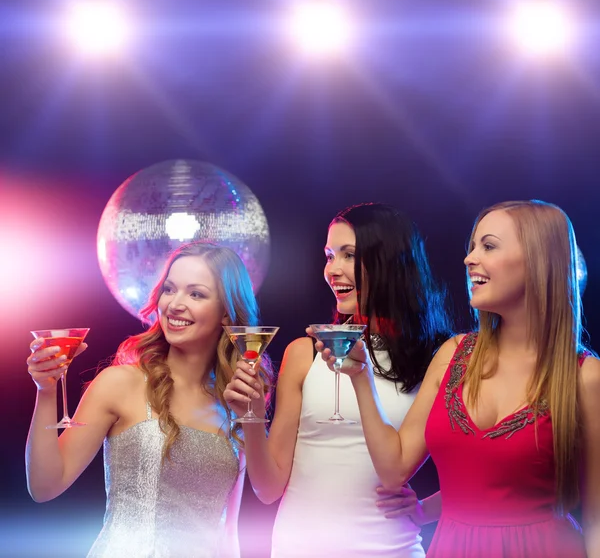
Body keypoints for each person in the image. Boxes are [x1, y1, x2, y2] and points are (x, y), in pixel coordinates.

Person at [323, 200, 600, 558]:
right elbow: (394, 469)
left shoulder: (585, 377)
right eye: (472, 248)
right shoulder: (453, 354)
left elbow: (596, 518)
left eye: (488, 246)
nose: (469, 259)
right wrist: (360, 376)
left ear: (537, 260)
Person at [225, 203, 452, 557]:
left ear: (390, 262)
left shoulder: (436, 358)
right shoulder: (305, 354)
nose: (334, 270)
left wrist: (427, 511)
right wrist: (252, 415)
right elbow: (268, 489)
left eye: (349, 255)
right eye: (330, 256)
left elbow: (480, 465)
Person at [26, 241, 271, 558]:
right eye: (170, 290)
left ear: (226, 312)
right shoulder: (120, 383)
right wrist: (46, 391)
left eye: (195, 294)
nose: (175, 304)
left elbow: (228, 532)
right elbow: (45, 486)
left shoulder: (236, 402)